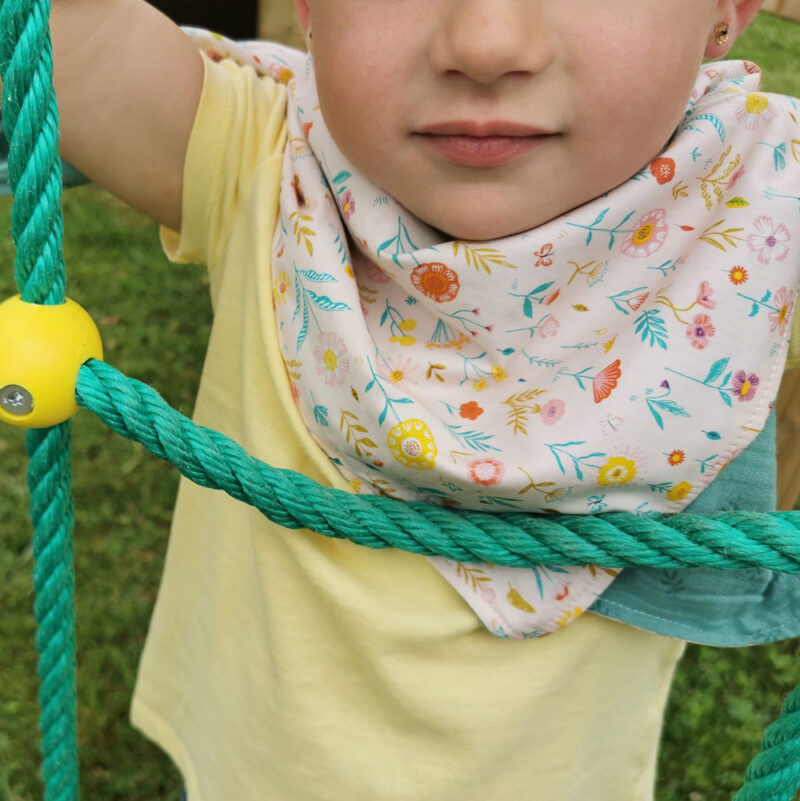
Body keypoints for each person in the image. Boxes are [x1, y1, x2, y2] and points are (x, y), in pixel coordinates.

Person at [9, 0, 800, 798]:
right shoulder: (268, 164)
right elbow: (76, 36)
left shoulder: (753, 210)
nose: (487, 44)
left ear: (727, 10)